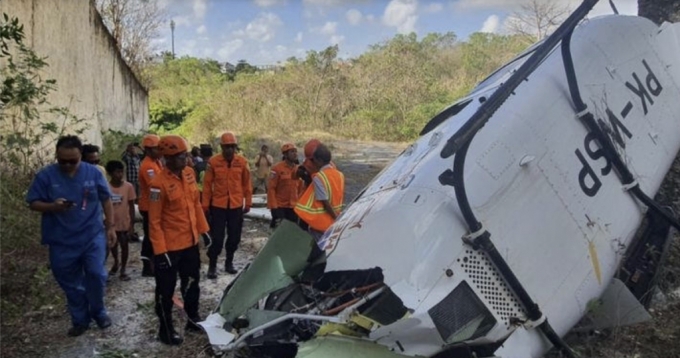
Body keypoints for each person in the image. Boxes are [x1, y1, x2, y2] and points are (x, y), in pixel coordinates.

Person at [26, 135, 117, 337]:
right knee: (70, 282)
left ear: (80, 157)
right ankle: (80, 319)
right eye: (62, 160)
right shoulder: (46, 176)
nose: (67, 165)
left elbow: (106, 200)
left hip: (91, 236)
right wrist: (52, 206)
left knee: (96, 274)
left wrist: (110, 227)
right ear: (56, 156)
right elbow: (32, 202)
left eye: (72, 160)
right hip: (61, 240)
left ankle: (99, 312)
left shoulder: (93, 173)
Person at [148, 135, 210, 345]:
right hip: (169, 247)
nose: (186, 159)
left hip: (190, 243)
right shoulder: (158, 184)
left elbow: (196, 205)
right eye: (181, 156)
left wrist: (204, 230)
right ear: (168, 158)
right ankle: (165, 330)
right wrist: (160, 250)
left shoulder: (190, 175)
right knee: (165, 290)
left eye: (185, 154)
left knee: (192, 284)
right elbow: (154, 221)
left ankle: (192, 320)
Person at [202, 131, 252, 278]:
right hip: (218, 206)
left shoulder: (242, 162)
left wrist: (247, 202)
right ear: (221, 147)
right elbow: (207, 185)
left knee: (234, 237)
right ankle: (212, 265)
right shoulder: (213, 162)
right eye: (226, 147)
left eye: (232, 146)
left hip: (235, 206)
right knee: (217, 238)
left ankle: (229, 262)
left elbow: (247, 184)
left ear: (235, 147)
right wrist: (205, 205)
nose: (229, 149)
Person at [294, 144, 345, 242]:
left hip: (322, 222)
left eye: (314, 160)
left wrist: (336, 219)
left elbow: (325, 202)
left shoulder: (319, 177)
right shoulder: (340, 175)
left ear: (319, 161)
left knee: (318, 247)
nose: (313, 163)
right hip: (334, 217)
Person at [105, 160, 136, 281]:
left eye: (121, 172)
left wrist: (132, 224)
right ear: (110, 173)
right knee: (113, 244)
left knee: (124, 245)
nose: (120, 175)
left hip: (124, 221)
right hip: (112, 222)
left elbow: (132, 205)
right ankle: (116, 262)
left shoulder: (128, 186)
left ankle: (123, 268)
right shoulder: (106, 187)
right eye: (117, 172)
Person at [138, 134, 163, 277]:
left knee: (154, 235)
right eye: (156, 149)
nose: (159, 151)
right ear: (148, 150)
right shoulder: (148, 166)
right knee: (150, 236)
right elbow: (155, 186)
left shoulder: (157, 162)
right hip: (149, 207)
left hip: (154, 206)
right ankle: (147, 266)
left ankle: (153, 263)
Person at [267, 143, 303, 229]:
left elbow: (300, 189)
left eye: (295, 151)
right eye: (292, 152)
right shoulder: (277, 169)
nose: (295, 154)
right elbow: (271, 188)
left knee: (291, 231)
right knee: (279, 230)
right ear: (285, 154)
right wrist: (273, 207)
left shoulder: (299, 170)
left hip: (293, 207)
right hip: (280, 206)